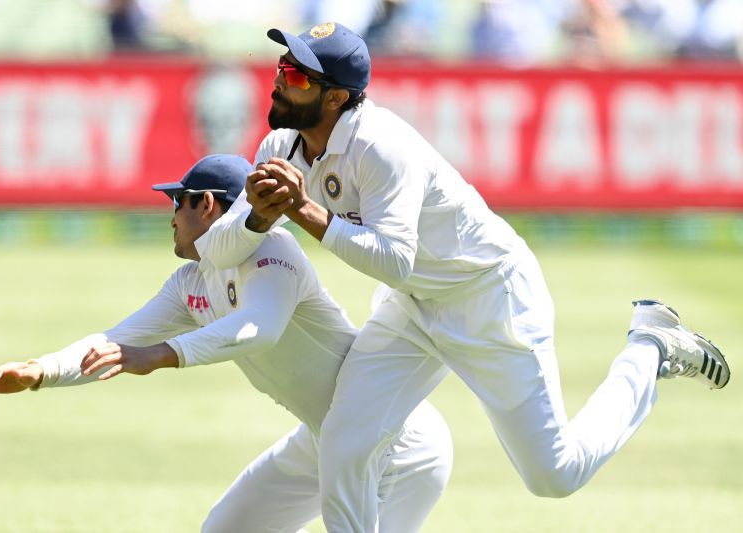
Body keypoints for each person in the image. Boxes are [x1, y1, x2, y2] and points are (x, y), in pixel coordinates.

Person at [196, 22, 732, 532]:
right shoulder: (280, 149)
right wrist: (259, 217)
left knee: (553, 474)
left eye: (295, 76)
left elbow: (392, 258)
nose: (278, 79)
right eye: (281, 66)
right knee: (347, 439)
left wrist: (305, 211)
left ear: (335, 97)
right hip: (411, 307)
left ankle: (650, 348)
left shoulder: (382, 146)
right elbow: (218, 249)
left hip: (490, 297)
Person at [0, 154, 453, 533]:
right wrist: (41, 372)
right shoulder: (189, 281)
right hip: (324, 437)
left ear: (206, 204)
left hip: (399, 442)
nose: (171, 216)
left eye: (177, 202)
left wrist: (163, 355)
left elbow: (260, 327)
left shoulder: (273, 250)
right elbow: (117, 340)